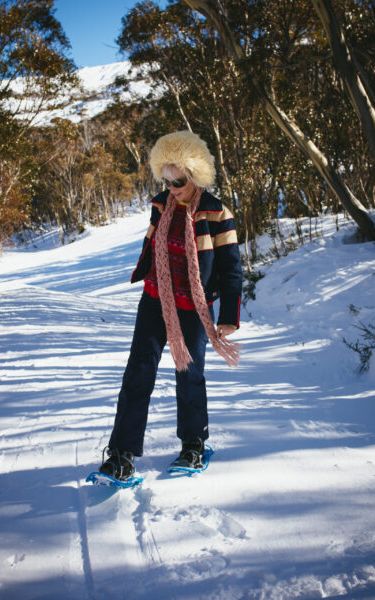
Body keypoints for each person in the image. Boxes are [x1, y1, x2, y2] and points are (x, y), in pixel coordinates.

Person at [99, 130, 242, 480]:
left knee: (189, 375)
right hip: (154, 300)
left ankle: (193, 446)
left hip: (194, 308)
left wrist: (228, 318)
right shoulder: (161, 204)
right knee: (138, 373)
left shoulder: (216, 213)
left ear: (195, 174)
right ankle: (121, 454)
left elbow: (231, 269)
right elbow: (152, 245)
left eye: (178, 180)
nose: (171, 186)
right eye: (166, 179)